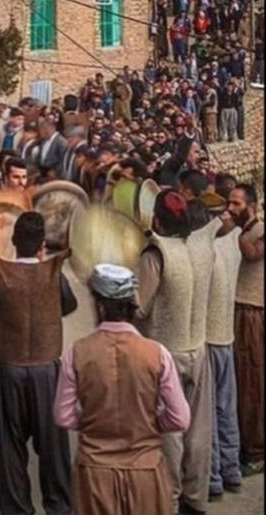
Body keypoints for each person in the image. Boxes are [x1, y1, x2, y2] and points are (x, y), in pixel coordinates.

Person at [54, 263, 190, 515]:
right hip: (145, 472)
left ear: (101, 307)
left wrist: (93, 421)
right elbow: (180, 418)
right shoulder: (157, 354)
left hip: (94, 473)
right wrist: (148, 422)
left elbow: (62, 416)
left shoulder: (77, 353)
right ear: (131, 306)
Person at [0, 211, 77, 515]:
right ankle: (59, 507)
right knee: (54, 450)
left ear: (14, 242)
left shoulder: (1, 275)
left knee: (10, 449)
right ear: (42, 244)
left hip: (9, 369)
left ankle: (17, 509)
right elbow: (70, 305)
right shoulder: (54, 273)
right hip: (46, 370)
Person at [135, 189, 216, 515]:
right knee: (198, 430)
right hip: (198, 345)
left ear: (156, 218)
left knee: (169, 433)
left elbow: (140, 308)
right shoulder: (201, 248)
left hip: (165, 353)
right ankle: (195, 500)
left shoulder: (156, 255)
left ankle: (167, 502)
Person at [206, 208, 243, 500]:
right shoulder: (236, 241)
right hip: (226, 337)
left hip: (208, 340)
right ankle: (232, 471)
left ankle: (214, 478)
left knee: (210, 414)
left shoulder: (208, 249)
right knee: (226, 409)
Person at [227, 182, 264, 474]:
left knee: (252, 381)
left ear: (250, 206)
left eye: (236, 204)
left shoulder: (259, 230)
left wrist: (234, 232)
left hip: (251, 312)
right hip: (235, 309)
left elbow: (252, 254)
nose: (231, 208)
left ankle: (256, 450)